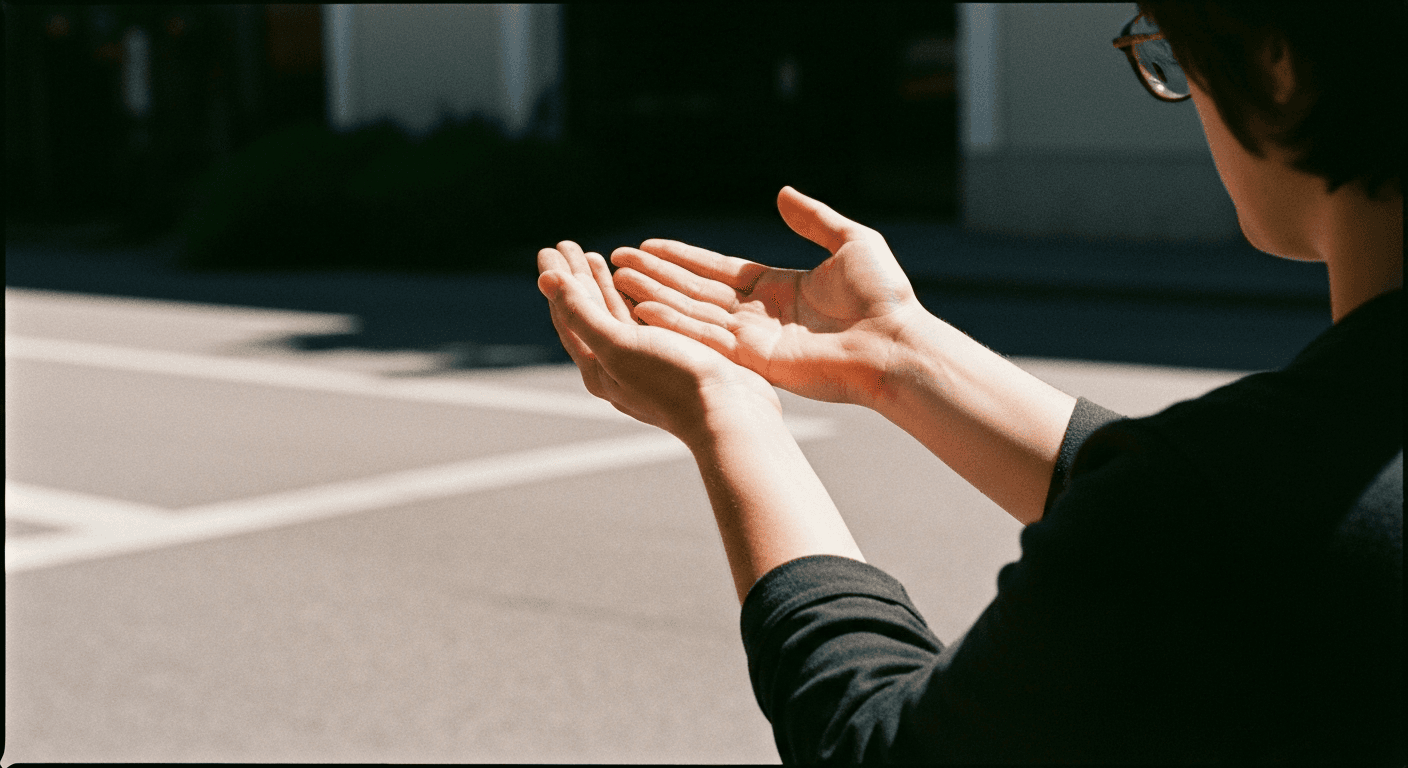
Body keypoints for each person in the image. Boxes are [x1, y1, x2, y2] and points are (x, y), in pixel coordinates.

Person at [536, 1, 1401, 761]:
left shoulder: (1225, 507)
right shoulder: (1271, 495)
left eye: (1170, 49)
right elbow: (1239, 522)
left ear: (1274, 65)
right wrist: (904, 356)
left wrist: (731, 419)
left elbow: (877, 745)